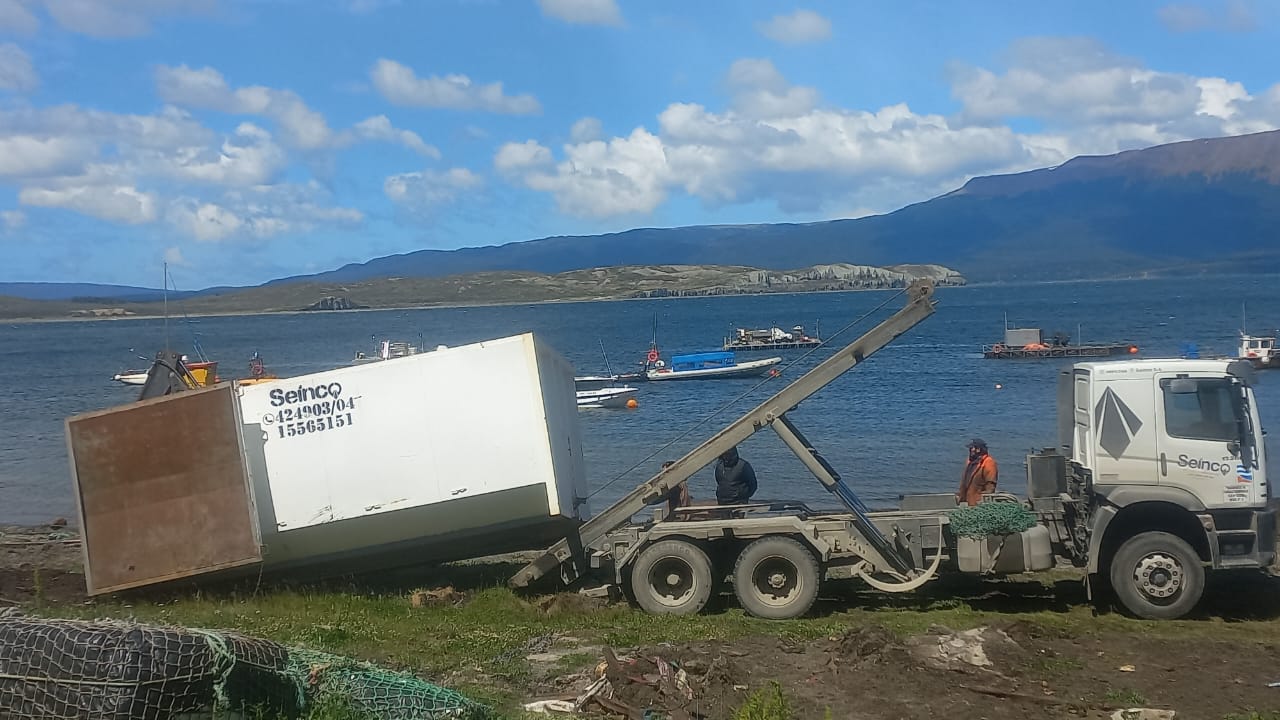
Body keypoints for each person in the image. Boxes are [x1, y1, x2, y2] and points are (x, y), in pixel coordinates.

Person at [957, 438, 998, 506]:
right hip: (968, 501)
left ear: (978, 449)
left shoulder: (988, 463)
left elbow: (990, 486)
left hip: (978, 503)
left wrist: (984, 504)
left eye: (971, 448)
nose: (970, 450)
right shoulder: (970, 461)